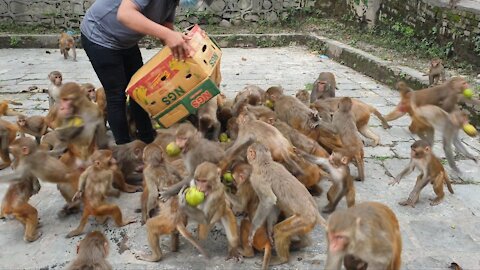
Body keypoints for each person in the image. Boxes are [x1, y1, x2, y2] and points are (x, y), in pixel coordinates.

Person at [80, 0, 209, 145]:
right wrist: (168, 34)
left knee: (139, 90)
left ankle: (148, 139)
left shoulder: (172, 2)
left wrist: (185, 41)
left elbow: (165, 26)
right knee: (117, 95)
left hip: (126, 42)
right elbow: (125, 14)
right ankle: (124, 149)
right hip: (100, 36)